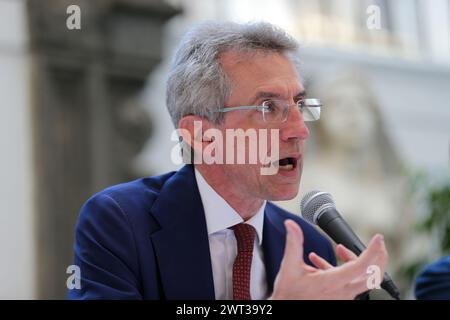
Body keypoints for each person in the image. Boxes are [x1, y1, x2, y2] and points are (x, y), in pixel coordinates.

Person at [68, 21, 388, 300]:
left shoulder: (312, 246)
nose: (300, 130)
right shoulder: (119, 222)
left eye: (300, 105)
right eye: (268, 108)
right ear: (202, 136)